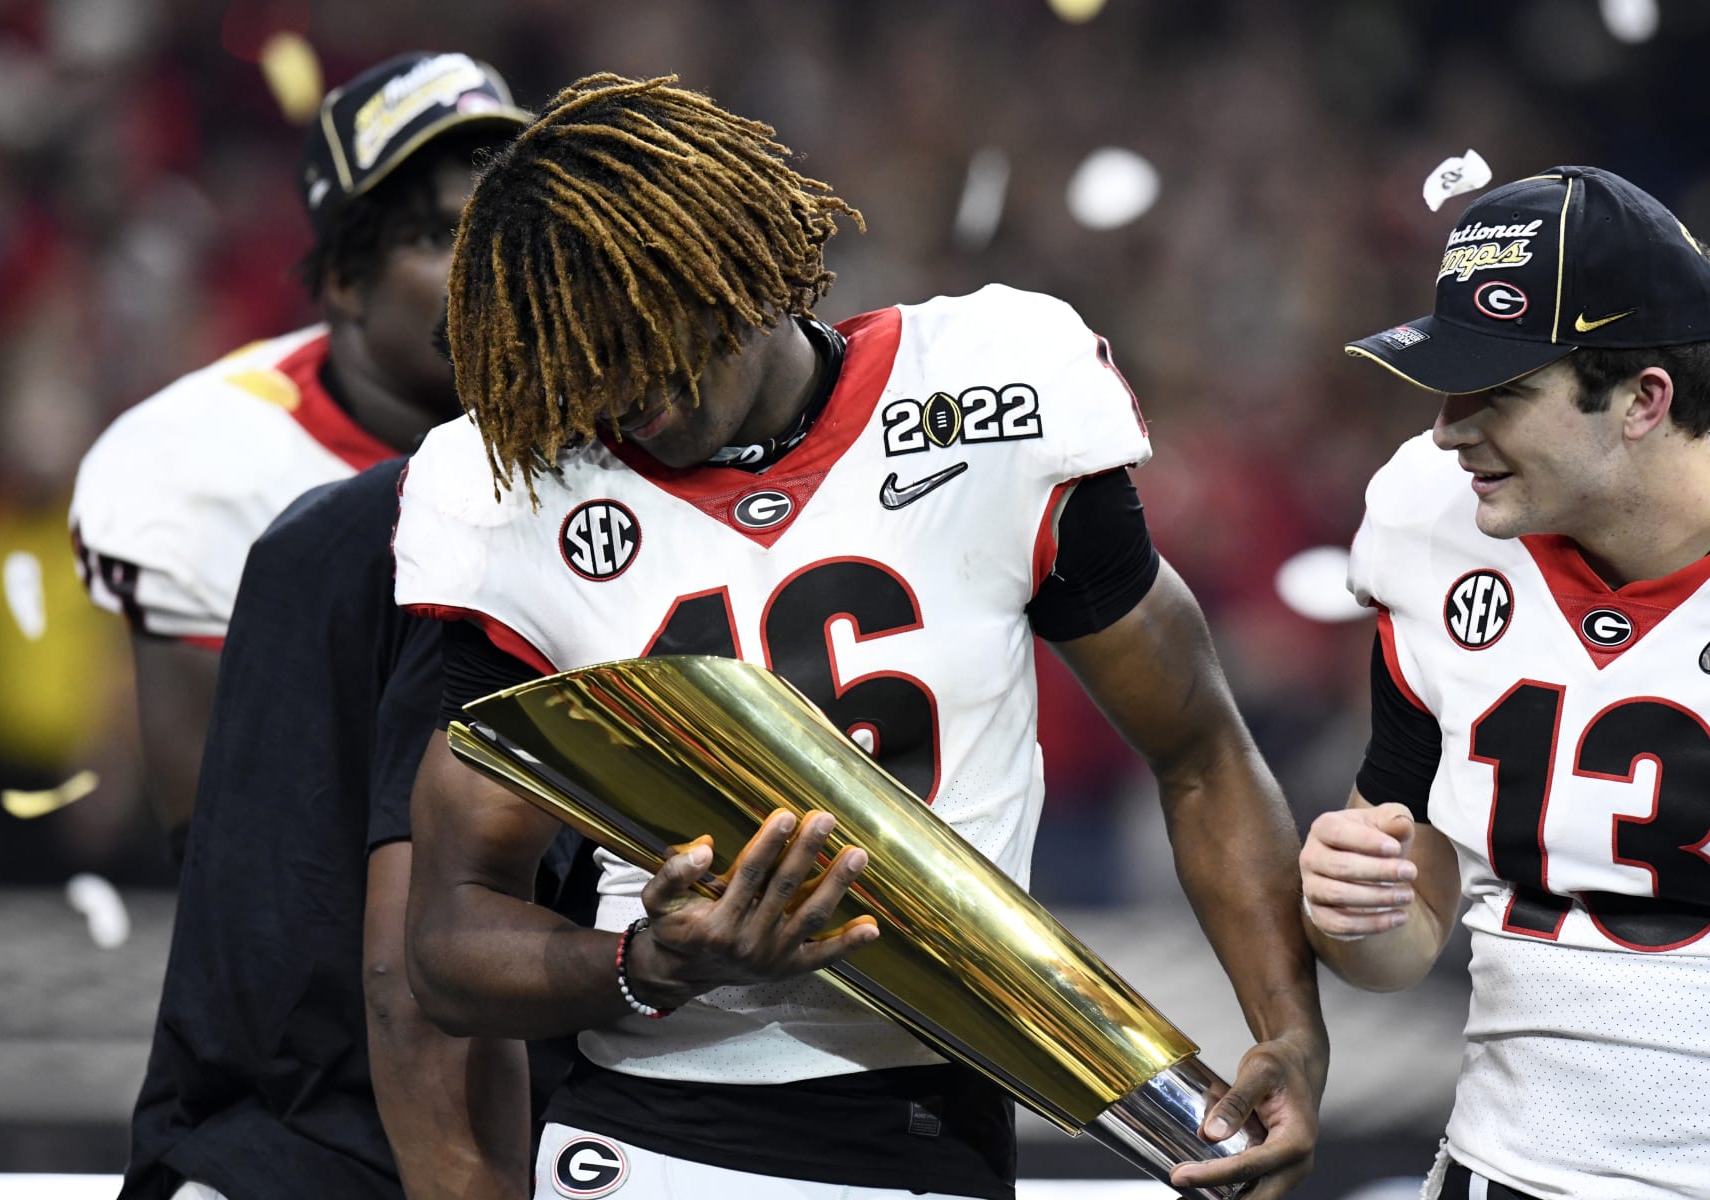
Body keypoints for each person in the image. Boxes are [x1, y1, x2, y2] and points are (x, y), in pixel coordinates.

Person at [394, 72, 1326, 1200]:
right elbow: (445, 940)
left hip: (941, 1107)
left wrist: (1288, 1028)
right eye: (572, 361)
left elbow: (1200, 751)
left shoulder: (990, 391)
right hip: (650, 1129)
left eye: (632, 337)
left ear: (725, 263)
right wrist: (650, 963)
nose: (608, 391)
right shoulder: (508, 493)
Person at [1303, 165, 1710, 1199]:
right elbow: (1406, 939)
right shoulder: (1425, 525)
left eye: (1500, 391)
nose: (1448, 428)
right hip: (1499, 1172)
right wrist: (1360, 909)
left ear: (1643, 400)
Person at [68, 51, 531, 865]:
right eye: (437, 235)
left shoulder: (619, 411)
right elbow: (230, 859)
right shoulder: (195, 459)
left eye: (503, 225)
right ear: (348, 279)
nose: (488, 266)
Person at [119, 457, 587, 1200]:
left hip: (239, 1149)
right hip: (396, 1161)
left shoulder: (322, 517)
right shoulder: (512, 532)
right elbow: (416, 973)